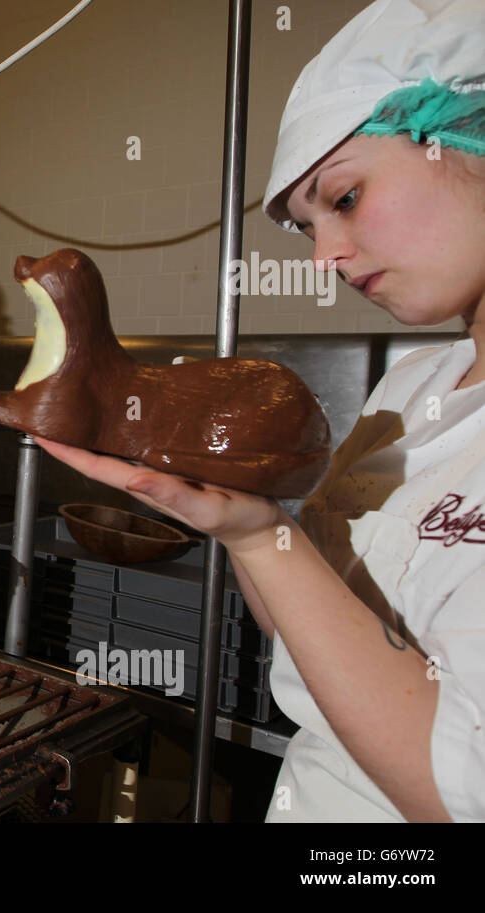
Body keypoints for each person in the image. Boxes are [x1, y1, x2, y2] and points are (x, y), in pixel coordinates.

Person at [39, 0, 485, 822]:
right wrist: (256, 521)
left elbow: (462, 791)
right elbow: (308, 643)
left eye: (343, 197)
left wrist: (256, 536)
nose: (324, 258)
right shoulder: (405, 396)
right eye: (306, 226)